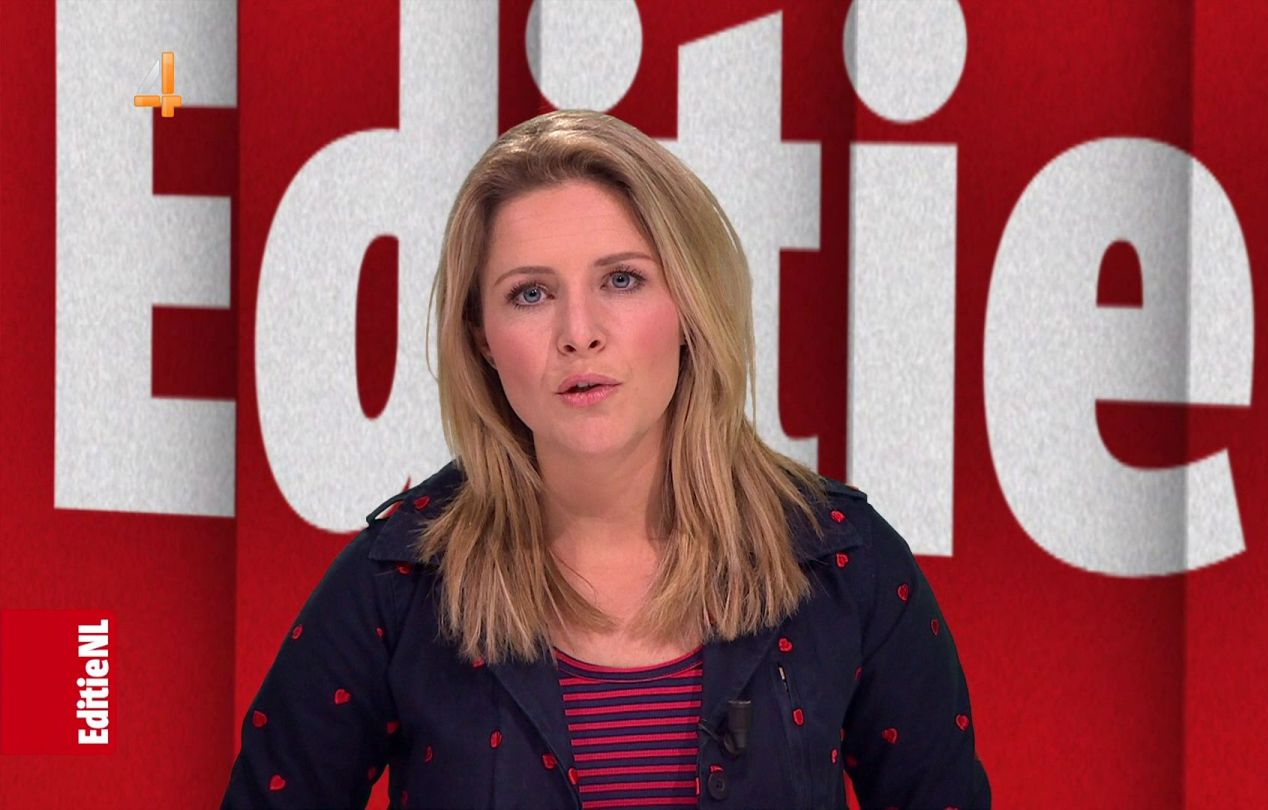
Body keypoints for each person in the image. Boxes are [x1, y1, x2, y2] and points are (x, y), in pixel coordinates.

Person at [220, 109, 990, 809]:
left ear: (689, 305)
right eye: (530, 294)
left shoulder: (844, 563)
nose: (578, 333)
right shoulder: (398, 582)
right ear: (482, 337)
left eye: (622, 280)